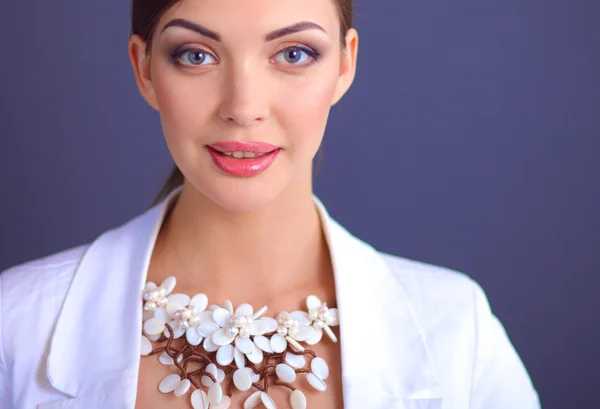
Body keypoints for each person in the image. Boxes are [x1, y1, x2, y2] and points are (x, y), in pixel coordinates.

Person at [0, 0, 541, 408]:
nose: (243, 107)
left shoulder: (455, 329)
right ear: (144, 70)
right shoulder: (16, 325)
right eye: (196, 55)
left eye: (293, 54)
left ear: (344, 65)